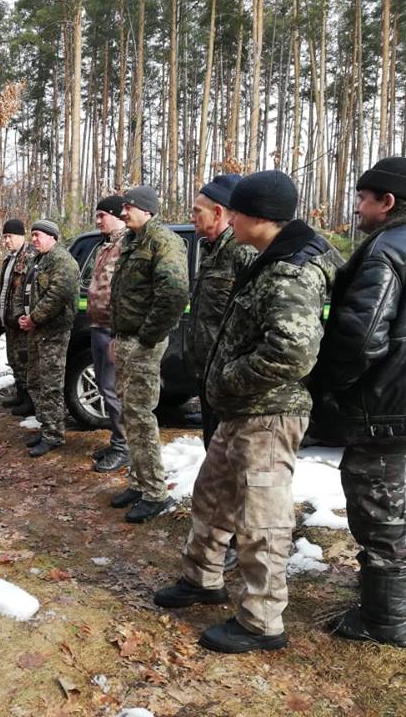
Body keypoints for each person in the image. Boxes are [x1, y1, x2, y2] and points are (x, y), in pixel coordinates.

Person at [154, 170, 341, 654]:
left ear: (259, 217)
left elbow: (293, 352)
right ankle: (203, 579)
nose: (228, 218)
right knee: (212, 497)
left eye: (235, 211)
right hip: (240, 410)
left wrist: (227, 377)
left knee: (262, 520)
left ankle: (261, 621)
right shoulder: (267, 259)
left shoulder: (292, 270)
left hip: (269, 414)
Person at [311, 157, 406, 648]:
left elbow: (361, 337)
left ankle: (385, 621)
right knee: (388, 499)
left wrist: (330, 384)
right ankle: (398, 586)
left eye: (362, 198)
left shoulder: (389, 249)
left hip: (388, 401)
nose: (356, 208)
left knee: (374, 507)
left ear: (387, 202)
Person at [187, 174, 257, 572]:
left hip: (232, 379)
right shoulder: (211, 250)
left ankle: (236, 539)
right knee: (215, 456)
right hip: (210, 375)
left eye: (197, 211)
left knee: (235, 465)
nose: (192, 218)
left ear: (219, 213)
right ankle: (221, 532)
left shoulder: (241, 253)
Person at [109, 186, 189, 522]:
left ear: (148, 210)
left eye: (129, 208)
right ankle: (139, 483)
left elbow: (173, 294)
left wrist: (146, 338)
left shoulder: (163, 242)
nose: (123, 213)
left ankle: (156, 493)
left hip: (143, 343)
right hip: (127, 339)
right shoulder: (132, 241)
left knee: (141, 415)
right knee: (130, 414)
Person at [19, 219, 80, 457]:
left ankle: (54, 435)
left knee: (51, 384)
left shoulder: (62, 261)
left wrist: (34, 317)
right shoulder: (37, 261)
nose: (34, 239)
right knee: (35, 381)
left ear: (53, 237)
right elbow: (26, 292)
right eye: (32, 235)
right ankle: (46, 427)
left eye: (38, 235)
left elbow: (57, 295)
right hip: (35, 331)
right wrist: (24, 319)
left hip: (53, 332)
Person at [86, 196, 131, 473]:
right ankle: (117, 440)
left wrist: (119, 329)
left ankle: (124, 447)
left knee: (114, 391)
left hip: (114, 329)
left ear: (116, 215)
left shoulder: (126, 245)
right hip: (98, 326)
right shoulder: (107, 246)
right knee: (105, 388)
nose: (98, 220)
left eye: (102, 215)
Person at [0, 219, 36, 416]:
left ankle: (29, 400)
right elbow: (4, 290)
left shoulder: (30, 257)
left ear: (21, 236)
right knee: (14, 360)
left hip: (22, 321)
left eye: (10, 236)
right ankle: (20, 394)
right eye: (5, 237)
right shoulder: (9, 259)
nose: (7, 241)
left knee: (24, 360)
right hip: (8, 320)